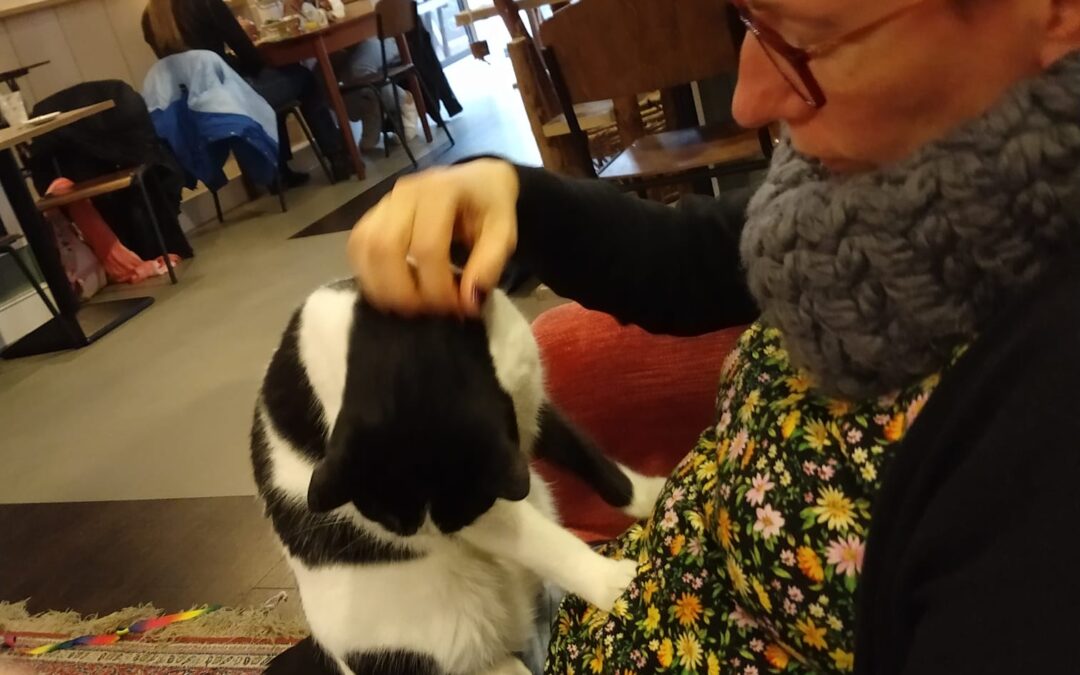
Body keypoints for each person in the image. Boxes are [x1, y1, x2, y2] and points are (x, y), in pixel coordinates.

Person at [347, 0, 1080, 673]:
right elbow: (694, 257)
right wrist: (508, 194)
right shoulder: (890, 184)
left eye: (809, 41)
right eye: (750, 22)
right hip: (632, 596)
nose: (747, 99)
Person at [142, 0, 351, 183]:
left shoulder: (150, 18)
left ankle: (279, 173)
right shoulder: (205, 3)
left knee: (271, 90)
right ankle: (337, 157)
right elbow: (249, 57)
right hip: (232, 100)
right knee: (303, 78)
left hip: (200, 111)